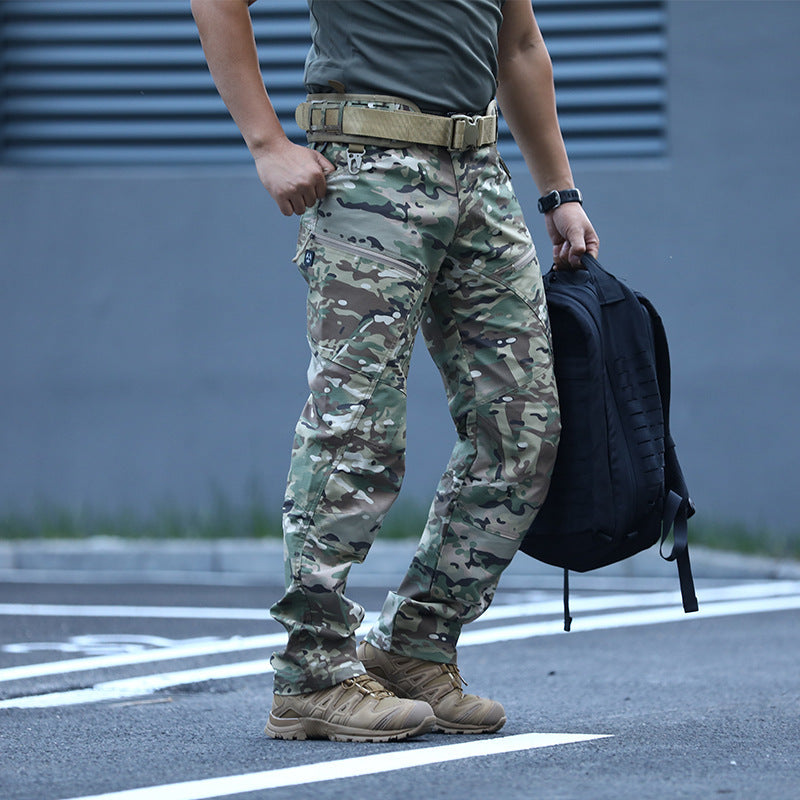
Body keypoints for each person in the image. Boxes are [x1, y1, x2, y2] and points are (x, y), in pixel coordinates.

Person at [191, 0, 599, 743]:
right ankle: (312, 673)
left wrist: (559, 191)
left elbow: (518, 44)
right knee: (357, 430)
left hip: (479, 173)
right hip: (368, 170)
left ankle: (417, 646)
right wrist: (266, 142)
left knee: (524, 428)